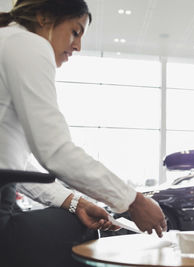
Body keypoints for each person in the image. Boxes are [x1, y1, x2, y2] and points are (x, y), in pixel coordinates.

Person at [0, 1, 166, 266]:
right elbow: (55, 151)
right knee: (82, 231)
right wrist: (133, 201)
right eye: (75, 32)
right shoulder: (28, 44)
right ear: (43, 18)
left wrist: (74, 201)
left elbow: (13, 168)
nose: (77, 46)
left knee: (71, 218)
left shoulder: (8, 41)